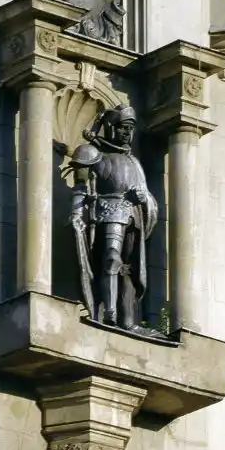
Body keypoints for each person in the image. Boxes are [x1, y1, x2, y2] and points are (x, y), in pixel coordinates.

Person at [70, 105, 158, 331]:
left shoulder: (133, 162)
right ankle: (108, 313)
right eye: (122, 127)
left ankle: (127, 321)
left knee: (128, 268)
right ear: (110, 127)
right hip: (107, 211)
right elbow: (80, 186)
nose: (127, 133)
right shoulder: (92, 153)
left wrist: (144, 199)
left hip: (133, 217)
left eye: (130, 128)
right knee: (111, 258)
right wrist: (77, 212)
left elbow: (145, 194)